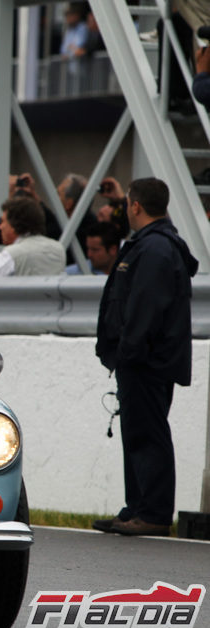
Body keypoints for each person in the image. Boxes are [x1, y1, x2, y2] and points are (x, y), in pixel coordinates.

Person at [94, 178, 198, 537]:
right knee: (137, 432)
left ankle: (152, 512)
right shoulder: (152, 244)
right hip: (145, 358)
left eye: (127, 204)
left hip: (146, 361)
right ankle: (136, 508)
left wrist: (128, 353)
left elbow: (145, 309)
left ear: (135, 206)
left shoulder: (154, 248)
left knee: (148, 433)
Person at [0, 197, 65, 276]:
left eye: (3, 221)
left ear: (13, 226)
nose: (0, 227)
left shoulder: (10, 254)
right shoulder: (58, 249)